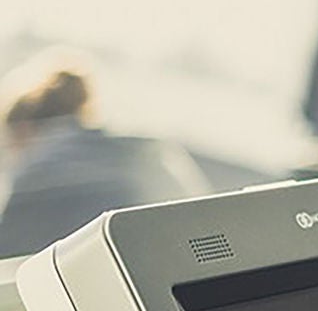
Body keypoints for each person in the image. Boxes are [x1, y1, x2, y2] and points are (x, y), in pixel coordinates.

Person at [0, 52, 209, 259]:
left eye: (10, 144)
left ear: (24, 129)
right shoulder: (151, 151)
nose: (11, 156)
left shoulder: (37, 176)